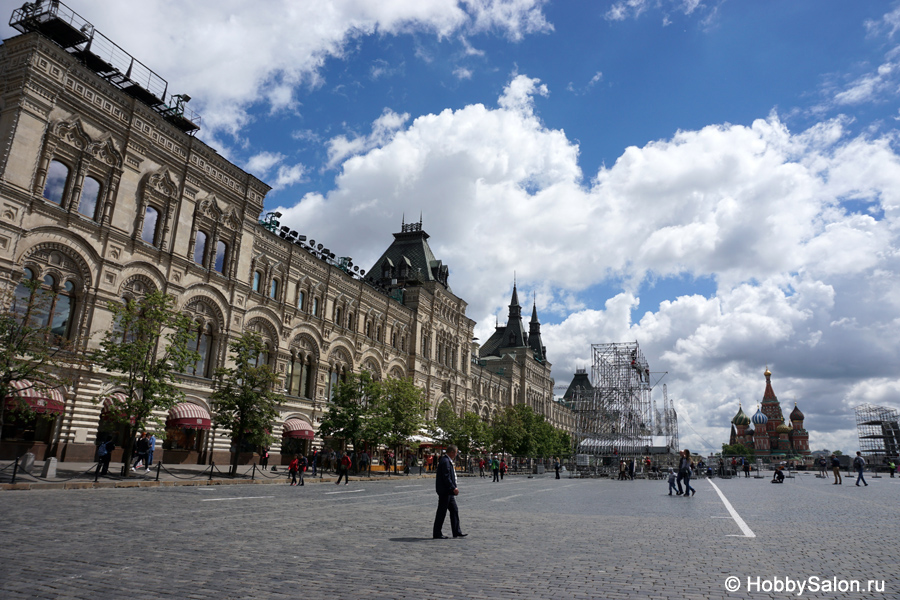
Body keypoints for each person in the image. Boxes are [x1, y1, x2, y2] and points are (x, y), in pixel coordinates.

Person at [433, 444, 465, 539]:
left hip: (448, 492)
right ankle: (437, 533)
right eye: (456, 452)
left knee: (454, 510)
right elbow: (446, 477)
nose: (456, 455)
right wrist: (452, 488)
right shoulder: (445, 461)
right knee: (441, 512)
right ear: (452, 452)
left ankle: (456, 531)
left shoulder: (447, 460)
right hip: (445, 491)